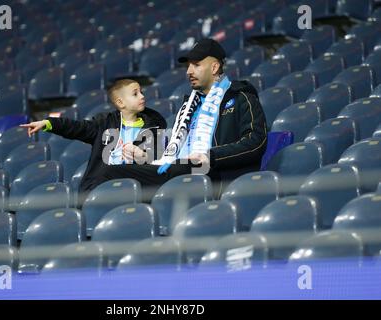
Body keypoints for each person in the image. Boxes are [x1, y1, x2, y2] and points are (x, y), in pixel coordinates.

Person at [101, 38, 268, 197]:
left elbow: (256, 142)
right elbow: (174, 151)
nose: (189, 71)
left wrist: (210, 157)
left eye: (196, 65)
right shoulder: (189, 107)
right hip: (181, 168)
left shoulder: (241, 98)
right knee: (110, 171)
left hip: (216, 173)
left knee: (174, 170)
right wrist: (144, 157)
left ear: (215, 67)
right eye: (188, 66)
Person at [20, 79, 167, 202]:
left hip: (139, 187)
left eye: (141, 92)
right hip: (104, 187)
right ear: (121, 103)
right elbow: (77, 127)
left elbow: (156, 154)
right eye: (135, 94)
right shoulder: (104, 124)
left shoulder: (154, 123)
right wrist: (48, 123)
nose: (142, 96)